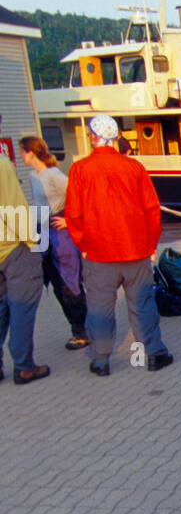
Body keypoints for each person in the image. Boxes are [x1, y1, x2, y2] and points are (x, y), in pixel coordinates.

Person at [65, 113, 173, 377]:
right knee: (142, 303)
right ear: (115, 138)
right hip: (136, 249)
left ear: (94, 137)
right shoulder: (134, 168)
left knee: (100, 307)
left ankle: (101, 360)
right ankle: (154, 354)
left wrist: (83, 245)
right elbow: (151, 210)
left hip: (99, 253)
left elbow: (73, 214)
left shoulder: (80, 169)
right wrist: (150, 244)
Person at [19, 136, 89, 349]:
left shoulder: (54, 175)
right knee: (57, 284)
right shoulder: (33, 175)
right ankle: (77, 328)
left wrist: (69, 220)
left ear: (31, 152)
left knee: (69, 282)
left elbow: (79, 196)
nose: (21, 155)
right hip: (44, 233)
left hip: (60, 234)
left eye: (22, 151)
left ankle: (84, 330)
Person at [0, 146, 50, 383]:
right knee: (22, 307)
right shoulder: (2, 165)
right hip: (12, 247)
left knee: (1, 309)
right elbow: (13, 207)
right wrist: (33, 242)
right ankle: (24, 366)